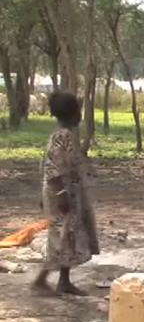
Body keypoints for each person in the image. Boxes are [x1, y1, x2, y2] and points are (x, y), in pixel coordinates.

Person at [31, 92, 99, 296]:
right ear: (70, 113)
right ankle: (41, 280)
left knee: (68, 236)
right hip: (61, 193)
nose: (80, 115)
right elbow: (53, 169)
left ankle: (64, 281)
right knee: (60, 237)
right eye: (78, 111)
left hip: (66, 192)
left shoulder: (63, 134)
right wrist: (61, 195)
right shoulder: (62, 136)